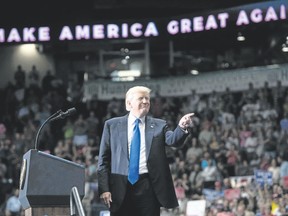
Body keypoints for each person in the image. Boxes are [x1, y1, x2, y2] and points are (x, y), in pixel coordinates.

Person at [97, 86, 195, 216]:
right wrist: (104, 189)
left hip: (148, 187)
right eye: (140, 98)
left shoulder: (159, 125)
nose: (145, 101)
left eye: (147, 98)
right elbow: (103, 160)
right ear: (128, 104)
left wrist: (181, 127)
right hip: (120, 187)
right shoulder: (112, 125)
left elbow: (173, 141)